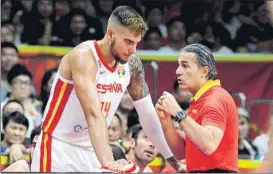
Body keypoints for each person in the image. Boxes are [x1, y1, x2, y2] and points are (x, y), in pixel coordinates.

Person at [31, 6, 177, 172]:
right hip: (58, 147)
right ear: (110, 35)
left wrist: (171, 158)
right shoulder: (84, 57)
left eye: (136, 43)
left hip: (92, 150)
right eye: (128, 42)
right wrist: (110, 162)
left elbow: (147, 114)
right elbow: (94, 114)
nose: (133, 50)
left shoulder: (131, 63)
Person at [156, 43, 238, 173]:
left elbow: (209, 145)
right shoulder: (198, 100)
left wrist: (177, 112)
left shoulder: (215, 99)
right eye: (178, 65)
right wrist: (166, 120)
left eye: (185, 65)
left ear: (204, 71)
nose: (177, 71)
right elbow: (182, 153)